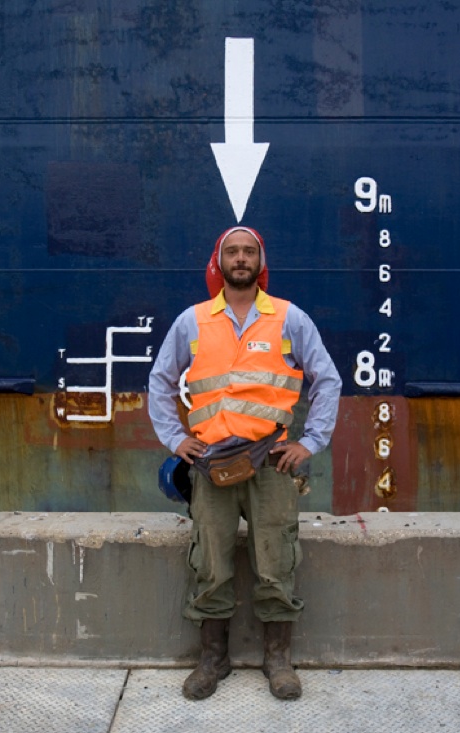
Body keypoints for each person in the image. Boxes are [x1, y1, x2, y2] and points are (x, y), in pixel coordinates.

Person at [147, 226, 341, 701]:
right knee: (210, 562)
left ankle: (278, 660)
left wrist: (309, 442)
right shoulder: (191, 322)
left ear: (260, 261)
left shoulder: (290, 319)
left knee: (276, 561)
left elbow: (328, 380)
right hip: (211, 467)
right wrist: (176, 439)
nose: (240, 258)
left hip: (271, 464)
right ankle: (213, 659)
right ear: (220, 261)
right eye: (231, 251)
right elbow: (160, 381)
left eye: (248, 251)